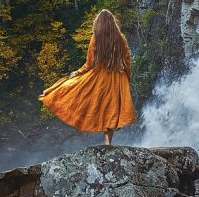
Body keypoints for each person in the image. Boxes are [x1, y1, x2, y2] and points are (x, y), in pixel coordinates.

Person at [39, 9, 136, 145]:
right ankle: (108, 142)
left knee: (96, 105)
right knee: (111, 110)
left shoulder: (95, 38)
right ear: (113, 23)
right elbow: (127, 60)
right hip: (117, 78)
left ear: (99, 23)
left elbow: (90, 63)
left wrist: (78, 72)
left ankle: (50, 93)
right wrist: (127, 78)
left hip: (100, 78)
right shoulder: (120, 38)